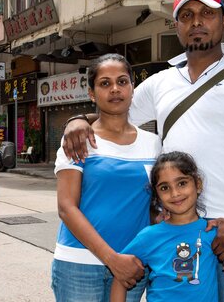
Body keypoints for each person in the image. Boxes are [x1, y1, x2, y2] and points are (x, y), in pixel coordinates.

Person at [62, 0, 224, 301]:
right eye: (186, 15)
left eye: (207, 13)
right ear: (176, 25)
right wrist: (77, 119)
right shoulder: (161, 82)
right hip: (174, 229)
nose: (196, 22)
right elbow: (114, 112)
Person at [52, 54, 161, 301]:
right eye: (105, 83)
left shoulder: (154, 145)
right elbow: (67, 208)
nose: (115, 89)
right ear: (92, 94)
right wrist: (112, 259)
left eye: (122, 82)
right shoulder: (78, 140)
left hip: (133, 265)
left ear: (133, 89)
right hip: (78, 264)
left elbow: (156, 205)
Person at [111, 151, 224, 302]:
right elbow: (119, 276)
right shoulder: (148, 236)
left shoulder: (215, 234)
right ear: (157, 196)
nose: (175, 193)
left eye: (182, 183)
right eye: (165, 188)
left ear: (198, 184)